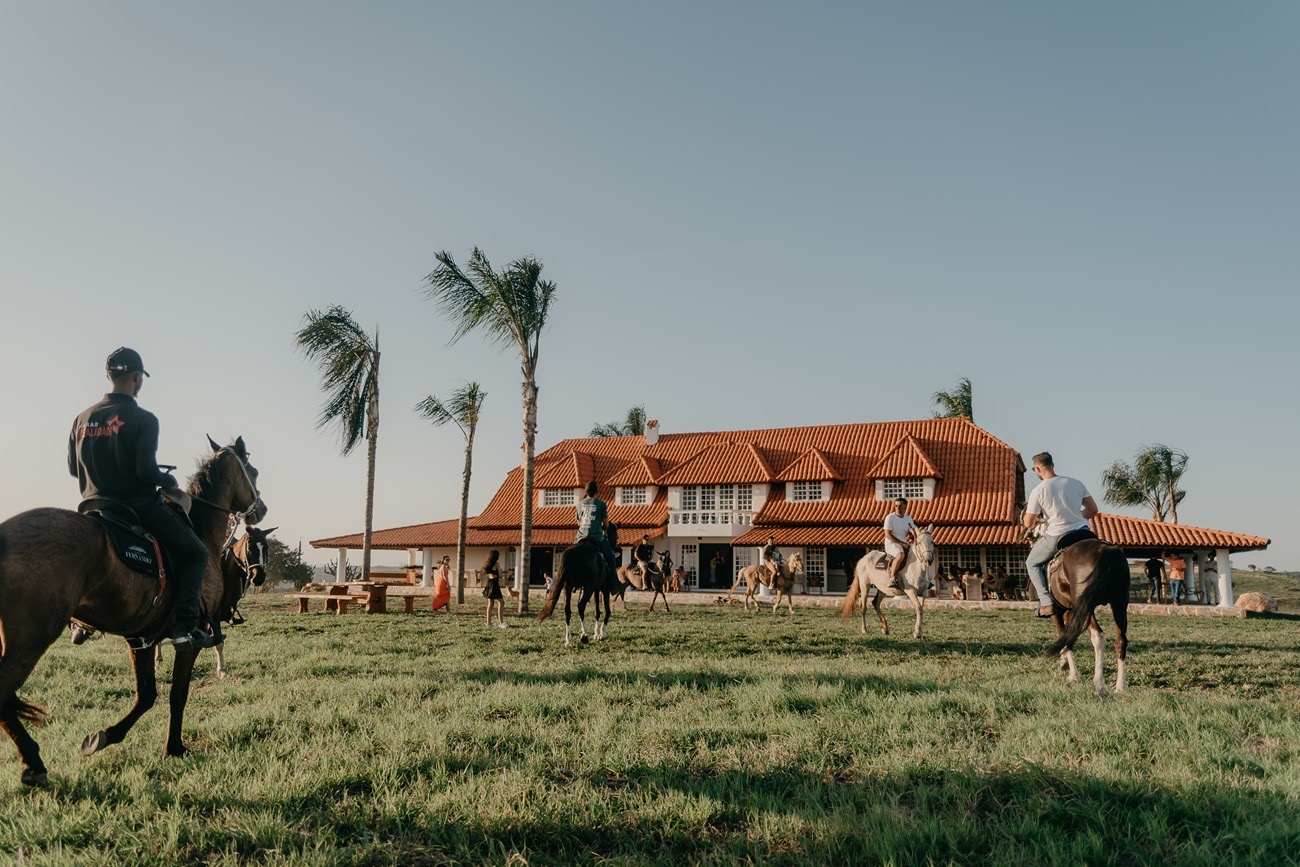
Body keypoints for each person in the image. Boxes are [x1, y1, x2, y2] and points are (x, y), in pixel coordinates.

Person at [68, 347, 214, 651]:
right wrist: (167, 479)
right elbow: (145, 471)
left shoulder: (82, 419)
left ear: (109, 376)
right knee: (196, 554)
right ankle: (185, 629)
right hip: (136, 507)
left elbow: (73, 469)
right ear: (137, 378)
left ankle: (81, 621)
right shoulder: (144, 419)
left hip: (92, 506)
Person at [1023, 452, 1100, 617]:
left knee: (1032, 563)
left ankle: (1046, 603)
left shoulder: (1039, 490)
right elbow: (1093, 509)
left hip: (1058, 534)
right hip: (1083, 531)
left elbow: (1028, 522)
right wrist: (1078, 517)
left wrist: (1037, 521)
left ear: (1037, 469)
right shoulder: (1076, 483)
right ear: (1052, 465)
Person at [574, 481, 618, 582]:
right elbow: (606, 524)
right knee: (611, 557)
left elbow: (578, 522)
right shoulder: (601, 504)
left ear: (585, 491)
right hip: (596, 537)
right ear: (596, 492)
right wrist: (603, 527)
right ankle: (613, 583)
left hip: (580, 537)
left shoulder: (579, 504)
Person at [884, 497, 920, 590]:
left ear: (905, 507)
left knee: (919, 553)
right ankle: (891, 578)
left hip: (904, 543)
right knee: (900, 554)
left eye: (900, 506)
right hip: (891, 543)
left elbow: (912, 533)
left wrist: (913, 537)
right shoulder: (890, 517)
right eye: (896, 506)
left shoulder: (908, 519)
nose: (897, 508)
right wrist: (902, 543)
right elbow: (888, 534)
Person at [482, 549, 505, 627]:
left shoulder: (487, 564)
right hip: (494, 585)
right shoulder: (497, 564)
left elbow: (486, 572)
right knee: (501, 602)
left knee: (490, 604)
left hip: (489, 583)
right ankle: (501, 622)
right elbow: (501, 575)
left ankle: (489, 623)